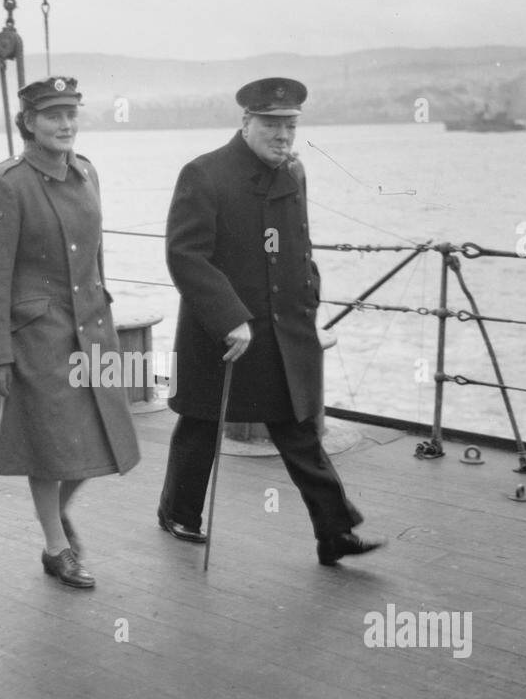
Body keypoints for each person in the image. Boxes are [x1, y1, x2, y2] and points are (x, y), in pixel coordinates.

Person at [157, 78, 384, 565]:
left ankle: (335, 533)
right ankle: (178, 514)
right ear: (246, 124)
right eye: (272, 126)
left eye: (290, 126)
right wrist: (230, 317)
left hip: (284, 329)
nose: (283, 136)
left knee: (298, 429)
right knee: (200, 422)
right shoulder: (204, 174)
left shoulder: (293, 172)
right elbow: (185, 255)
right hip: (224, 332)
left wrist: (311, 294)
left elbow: (298, 245)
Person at [0, 76, 140, 590]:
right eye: (52, 116)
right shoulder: (9, 182)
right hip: (39, 336)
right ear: (28, 123)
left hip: (92, 327)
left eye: (71, 114)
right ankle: (55, 546)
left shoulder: (87, 171)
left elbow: (94, 257)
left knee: (103, 435)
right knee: (49, 444)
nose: (65, 124)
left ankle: (56, 518)